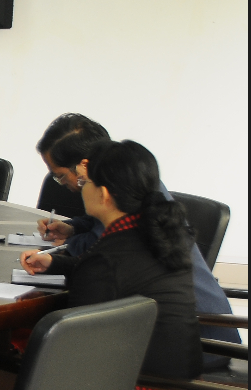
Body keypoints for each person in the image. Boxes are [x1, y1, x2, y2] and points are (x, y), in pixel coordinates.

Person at [20, 140, 202, 390]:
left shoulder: (109, 258)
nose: (79, 188)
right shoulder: (159, 232)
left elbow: (72, 350)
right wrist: (59, 263)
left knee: (20, 386)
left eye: (84, 182)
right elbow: (121, 271)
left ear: (103, 194)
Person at [34, 114, 239, 364]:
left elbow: (98, 255)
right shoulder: (137, 188)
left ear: (85, 168)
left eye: (65, 177)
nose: (73, 185)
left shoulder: (117, 243)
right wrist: (71, 235)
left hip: (196, 341)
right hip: (198, 335)